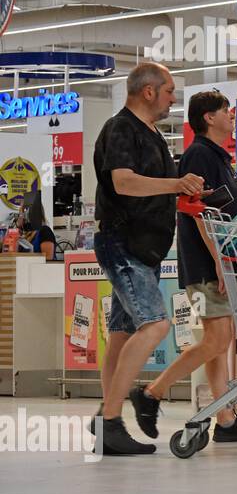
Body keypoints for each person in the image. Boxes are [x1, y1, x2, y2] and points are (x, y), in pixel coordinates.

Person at [137, 91, 237, 443]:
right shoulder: (198, 154)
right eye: (226, 110)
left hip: (221, 261)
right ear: (208, 118)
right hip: (207, 264)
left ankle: (225, 418)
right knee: (218, 339)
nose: (232, 115)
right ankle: (152, 392)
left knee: (218, 340)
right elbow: (197, 212)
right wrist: (219, 260)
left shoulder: (219, 157)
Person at [89, 63, 204, 456]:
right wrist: (175, 184)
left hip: (146, 251)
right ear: (149, 92)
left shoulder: (153, 135)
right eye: (170, 90)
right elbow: (123, 181)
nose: (174, 97)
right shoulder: (121, 129)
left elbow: (153, 189)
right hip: (124, 245)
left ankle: (109, 416)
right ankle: (109, 420)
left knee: (121, 338)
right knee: (155, 325)